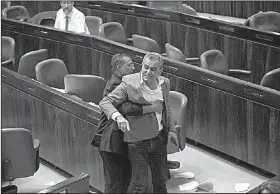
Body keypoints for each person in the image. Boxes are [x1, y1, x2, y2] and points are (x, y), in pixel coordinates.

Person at [99, 52, 179, 193]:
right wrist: (118, 117)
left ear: (160, 71)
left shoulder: (165, 83)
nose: (148, 72)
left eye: (153, 69)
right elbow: (105, 102)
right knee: (140, 185)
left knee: (161, 181)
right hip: (138, 143)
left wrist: (172, 130)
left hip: (159, 139)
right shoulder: (129, 82)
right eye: (145, 67)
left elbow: (167, 109)